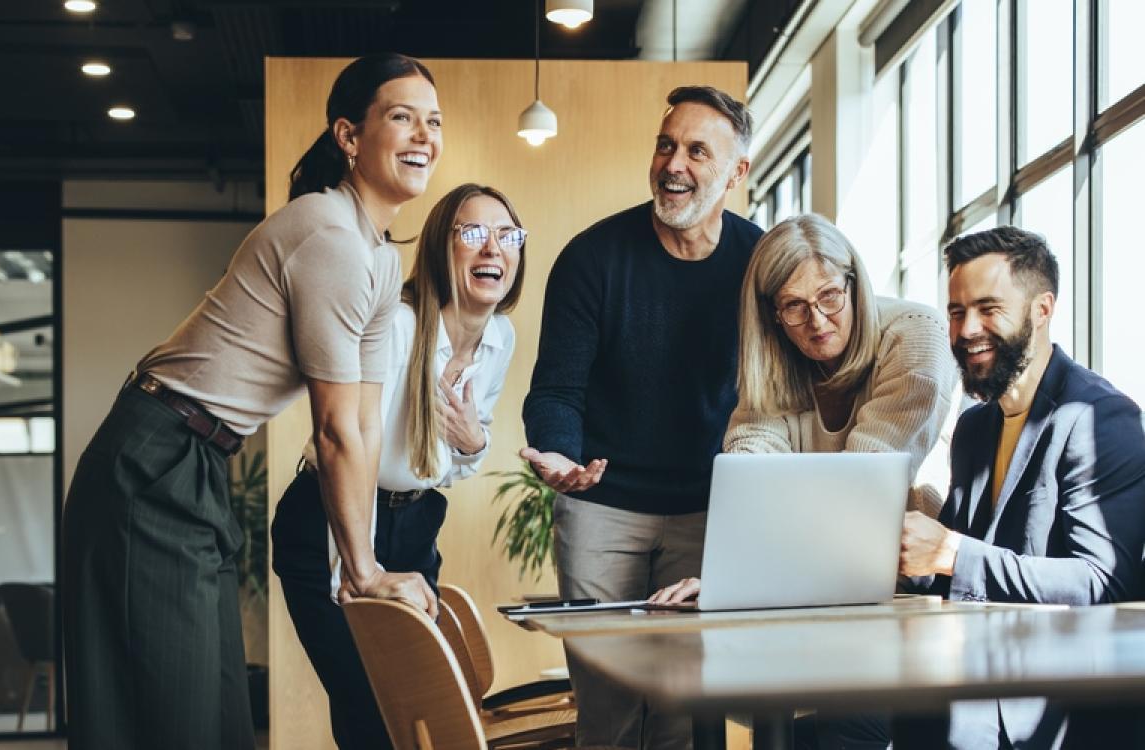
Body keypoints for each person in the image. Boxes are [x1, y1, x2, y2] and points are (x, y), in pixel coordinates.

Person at [61, 52, 443, 749]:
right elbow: (332, 431)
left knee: (217, 712)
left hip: (201, 457)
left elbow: (362, 421)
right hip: (152, 457)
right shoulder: (327, 237)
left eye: (434, 122)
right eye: (401, 117)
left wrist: (368, 569)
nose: (424, 135)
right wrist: (362, 573)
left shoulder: (381, 261)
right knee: (168, 712)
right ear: (349, 137)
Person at [521, 85, 761, 749]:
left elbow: (781, 395)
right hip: (604, 506)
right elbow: (556, 390)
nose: (673, 163)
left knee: (687, 712)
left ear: (736, 174)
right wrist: (560, 453)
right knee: (610, 709)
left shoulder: (760, 262)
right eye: (665, 144)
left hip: (709, 511)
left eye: (696, 151)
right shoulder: (592, 258)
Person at [273, 183, 526, 749]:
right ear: (442, 248)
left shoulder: (499, 339)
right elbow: (347, 445)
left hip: (414, 524)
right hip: (333, 517)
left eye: (507, 235)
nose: (493, 249)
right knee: (371, 705)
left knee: (414, 703)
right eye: (473, 233)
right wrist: (355, 572)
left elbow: (453, 465)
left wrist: (472, 443)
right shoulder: (399, 327)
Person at [897, 225, 1145, 748]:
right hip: (978, 667)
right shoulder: (974, 427)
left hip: (1057, 695)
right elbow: (947, 573)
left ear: (1042, 310)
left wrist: (950, 553)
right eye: (957, 311)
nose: (966, 330)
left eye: (989, 308)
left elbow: (1103, 584)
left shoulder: (1098, 418)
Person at [647, 212, 957, 607]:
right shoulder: (774, 360)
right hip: (813, 575)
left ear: (854, 284)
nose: (818, 321)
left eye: (829, 296)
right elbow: (752, 474)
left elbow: (862, 488)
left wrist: (747, 577)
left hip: (913, 582)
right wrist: (730, 578)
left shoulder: (916, 336)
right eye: (794, 305)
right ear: (772, 316)